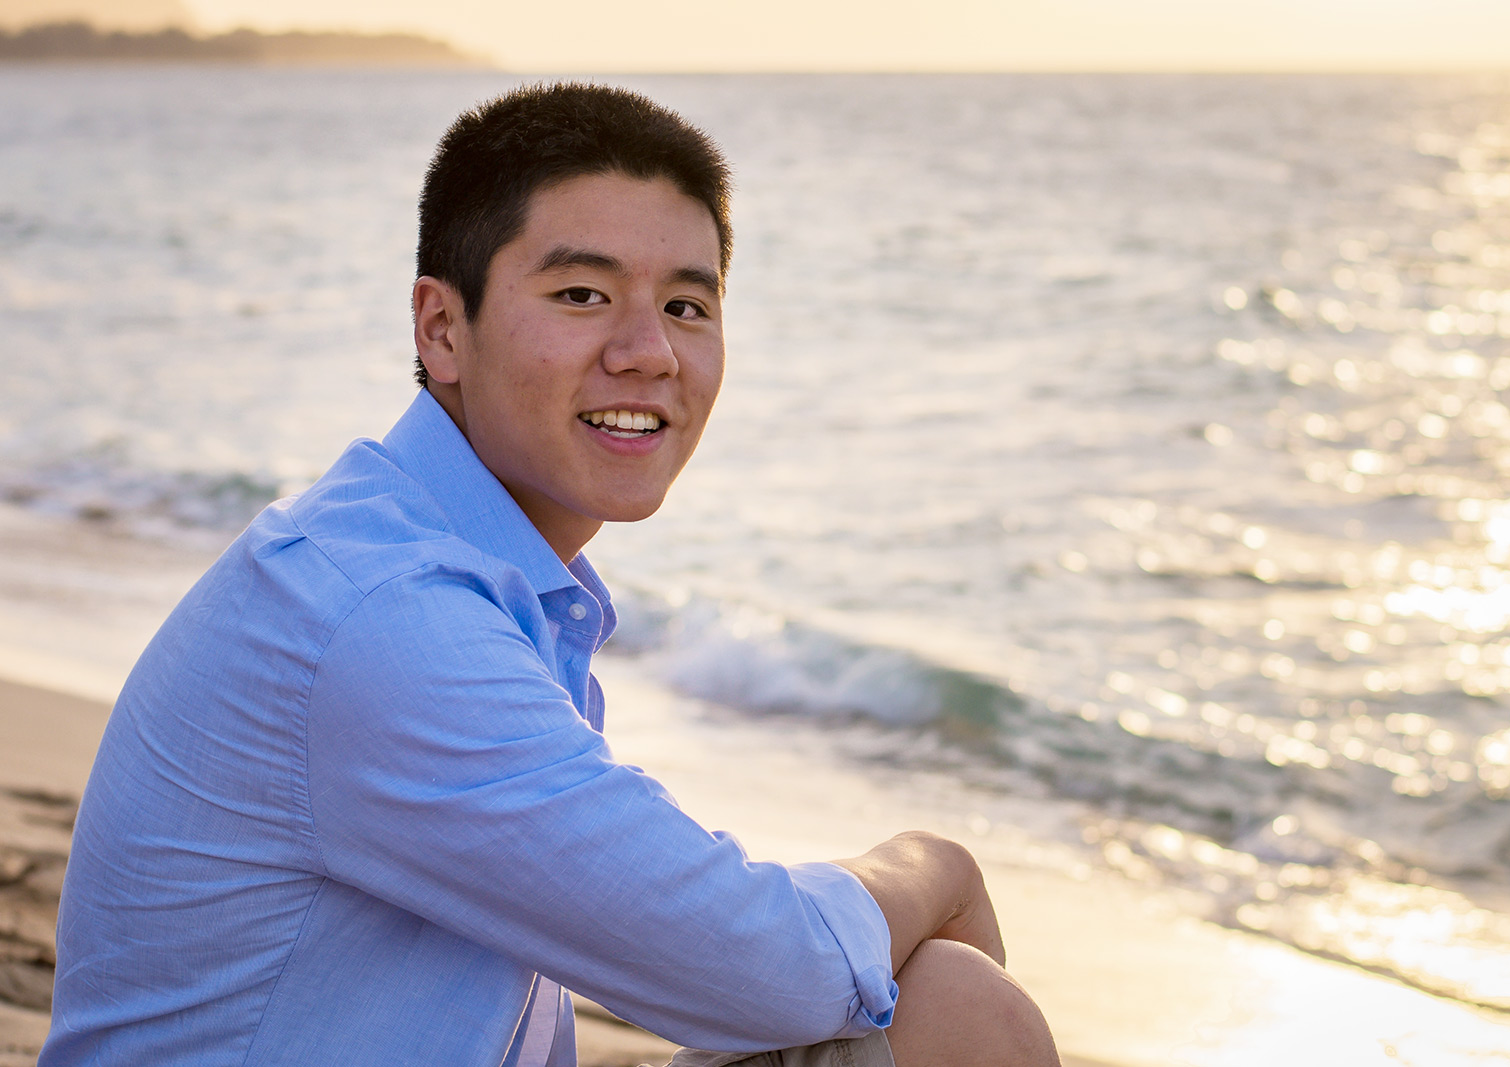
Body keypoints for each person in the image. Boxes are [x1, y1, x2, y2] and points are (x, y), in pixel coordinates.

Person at [42, 83, 1057, 1067]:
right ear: (441, 329)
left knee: (940, 1001)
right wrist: (937, 865)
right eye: (582, 294)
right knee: (960, 1016)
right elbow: (759, 965)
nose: (649, 351)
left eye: (687, 305)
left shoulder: (447, 563)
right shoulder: (384, 616)